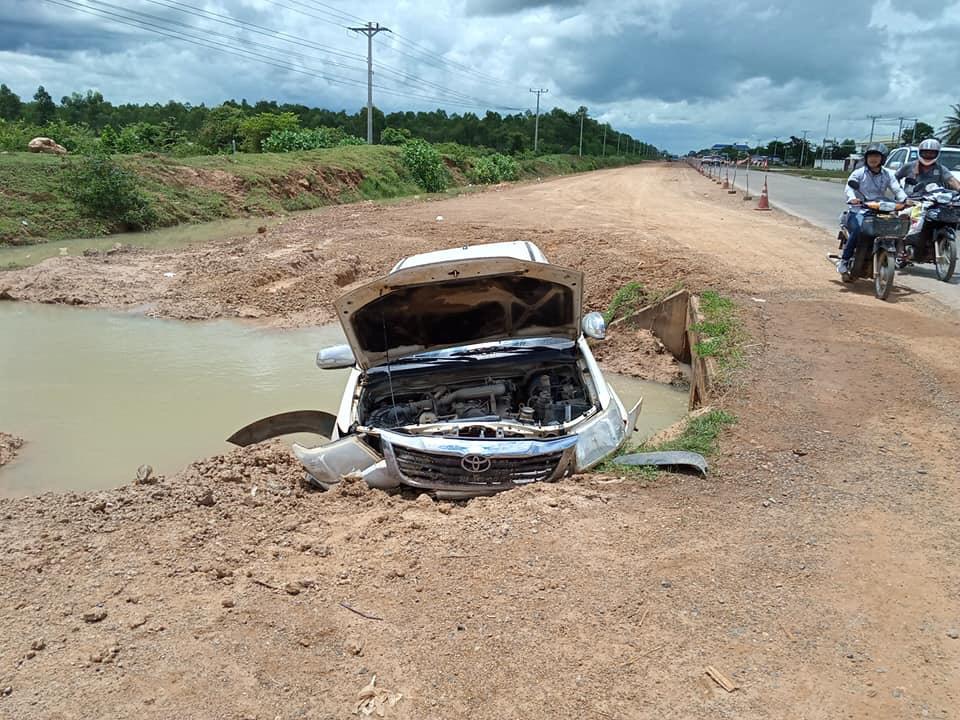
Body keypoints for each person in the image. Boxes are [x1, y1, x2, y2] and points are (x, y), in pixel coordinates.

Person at [839, 143, 908, 274]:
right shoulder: (859, 173)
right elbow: (849, 187)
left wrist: (904, 199)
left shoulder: (888, 174)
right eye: (870, 156)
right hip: (859, 210)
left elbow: (897, 189)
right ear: (866, 158)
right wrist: (852, 198)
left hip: (879, 209)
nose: (873, 159)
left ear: (883, 159)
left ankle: (899, 255)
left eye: (877, 156)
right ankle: (844, 260)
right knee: (858, 230)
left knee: (896, 226)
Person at [895, 138, 960, 195]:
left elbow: (951, 180)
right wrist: (899, 191)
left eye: (932, 153)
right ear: (920, 152)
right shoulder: (909, 166)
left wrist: (958, 189)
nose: (928, 155)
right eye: (925, 153)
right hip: (910, 200)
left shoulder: (940, 169)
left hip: (933, 201)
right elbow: (894, 178)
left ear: (937, 154)